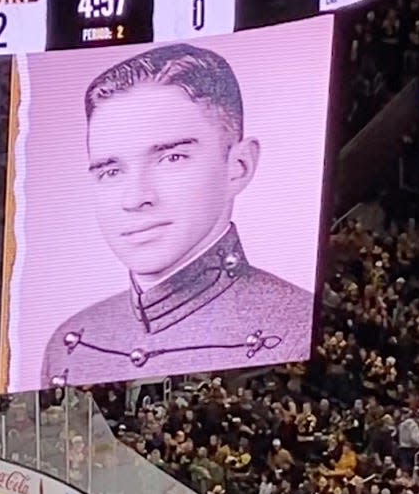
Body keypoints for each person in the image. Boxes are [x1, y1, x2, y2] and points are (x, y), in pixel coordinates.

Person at [41, 44, 315, 388]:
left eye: (172, 158)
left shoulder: (296, 324)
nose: (136, 198)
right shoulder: (70, 342)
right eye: (111, 171)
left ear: (238, 166)